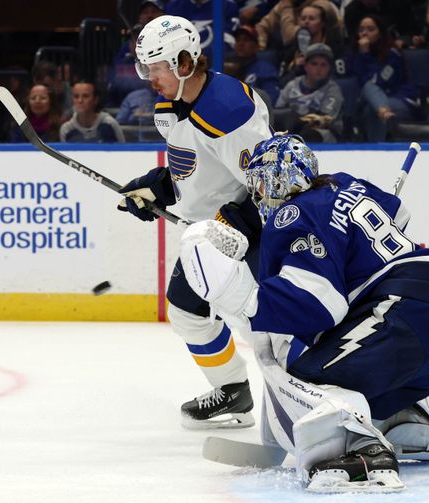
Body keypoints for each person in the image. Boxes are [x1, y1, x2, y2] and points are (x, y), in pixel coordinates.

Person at [177, 134, 429, 492]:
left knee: (306, 379)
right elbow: (398, 213)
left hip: (403, 315)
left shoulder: (292, 213)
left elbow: (318, 305)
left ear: (275, 180)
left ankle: (359, 450)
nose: (256, 196)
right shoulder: (348, 184)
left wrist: (244, 297)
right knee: (361, 368)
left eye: (258, 184)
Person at [118, 15, 272, 428]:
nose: (150, 78)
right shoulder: (173, 104)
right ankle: (233, 391)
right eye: (145, 68)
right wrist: (156, 188)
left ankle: (323, 402)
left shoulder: (229, 110)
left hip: (253, 235)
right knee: (187, 311)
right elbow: (194, 168)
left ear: (184, 62)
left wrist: (232, 224)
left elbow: (272, 189)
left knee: (274, 328)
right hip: (209, 235)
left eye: (156, 67)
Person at [349, 15, 421, 142]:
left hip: (401, 99)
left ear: (380, 33)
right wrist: (363, 55)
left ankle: (376, 147)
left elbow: (377, 82)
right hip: (373, 103)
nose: (365, 33)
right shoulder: (356, 55)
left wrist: (365, 54)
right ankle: (382, 113)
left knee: (369, 93)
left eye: (370, 29)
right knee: (370, 108)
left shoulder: (393, 55)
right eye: (361, 30)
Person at [274, 43, 343, 142]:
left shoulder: (333, 89)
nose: (318, 68)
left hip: (323, 133)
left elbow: (324, 119)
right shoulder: (292, 85)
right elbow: (278, 113)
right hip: (291, 130)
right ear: (305, 65)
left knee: (308, 135)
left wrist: (296, 120)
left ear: (329, 68)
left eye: (323, 65)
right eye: (314, 64)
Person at [278, 3, 345, 86]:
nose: (306, 22)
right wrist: (297, 68)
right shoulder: (292, 49)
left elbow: (340, 78)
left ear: (322, 23)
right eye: (303, 18)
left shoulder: (335, 47)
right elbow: (281, 84)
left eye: (311, 18)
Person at [224, 24, 280, 104]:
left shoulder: (265, 69)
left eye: (246, 40)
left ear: (256, 46)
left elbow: (270, 99)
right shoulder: (226, 67)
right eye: (238, 40)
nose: (241, 44)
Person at [60, 81, 125, 143]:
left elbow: (123, 150)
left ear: (95, 100)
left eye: (85, 96)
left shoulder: (110, 123)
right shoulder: (66, 129)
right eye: (76, 96)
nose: (80, 100)